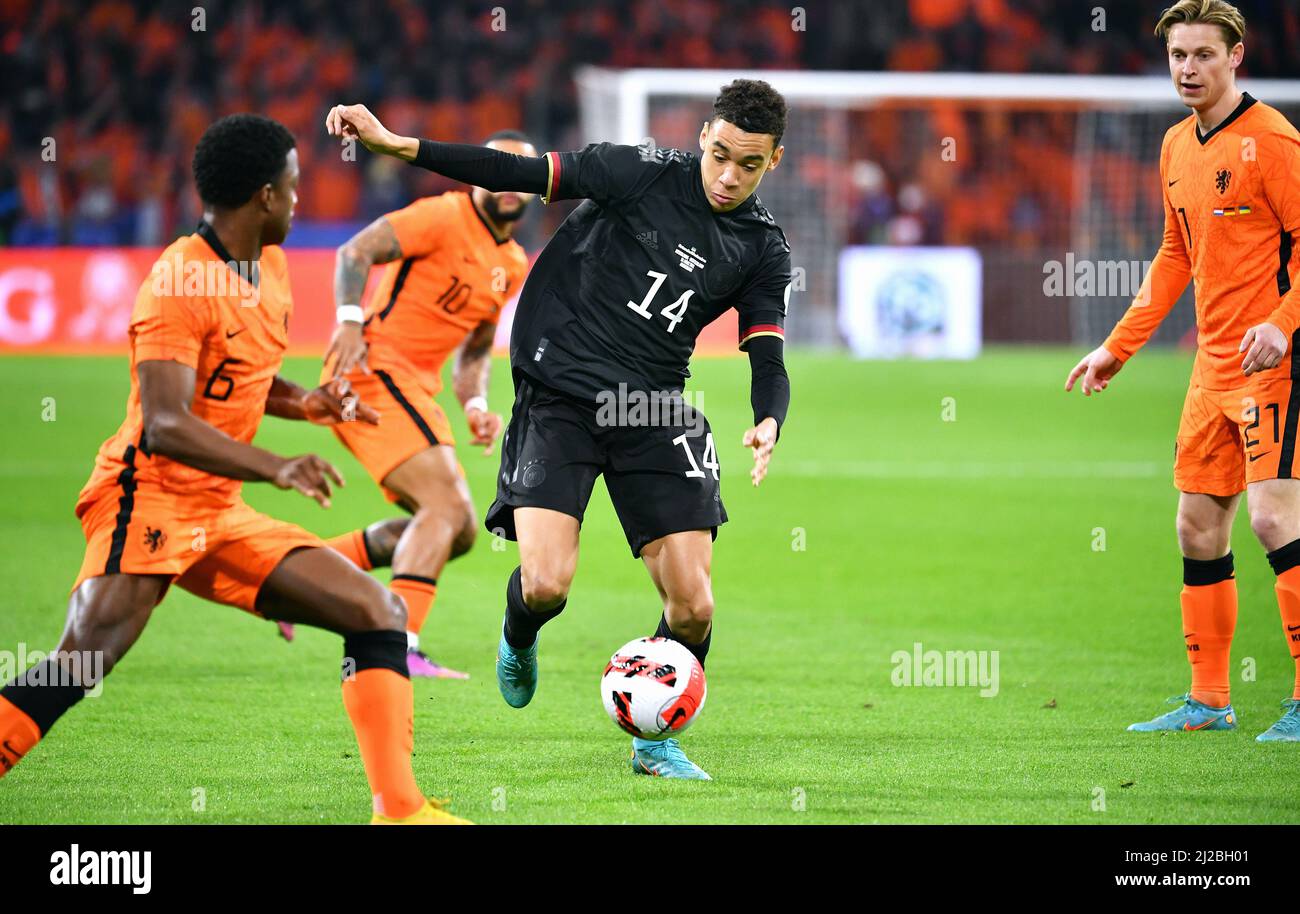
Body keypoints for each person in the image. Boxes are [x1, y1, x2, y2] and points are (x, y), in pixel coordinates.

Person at [0, 114, 470, 822]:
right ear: (265, 198)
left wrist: (309, 403)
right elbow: (164, 423)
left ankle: (400, 811)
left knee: (378, 613)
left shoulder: (269, 267)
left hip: (218, 510)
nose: (300, 197)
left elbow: (242, 380)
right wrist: (276, 466)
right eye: (294, 185)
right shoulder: (177, 283)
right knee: (79, 666)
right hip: (148, 499)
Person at [326, 78, 793, 778]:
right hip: (561, 396)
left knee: (693, 606)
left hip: (652, 408)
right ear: (703, 136)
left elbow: (768, 352)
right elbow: (515, 170)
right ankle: (519, 634)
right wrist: (399, 144)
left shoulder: (761, 248)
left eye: (748, 164)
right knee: (546, 584)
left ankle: (655, 740)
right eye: (720, 154)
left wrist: (768, 419)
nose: (729, 176)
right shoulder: (635, 173)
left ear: (773, 163)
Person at [1065, 0, 1300, 741]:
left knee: (1272, 517)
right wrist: (1117, 347)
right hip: (1211, 370)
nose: (1188, 69)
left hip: (1274, 366)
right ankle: (1209, 703)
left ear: (1237, 55)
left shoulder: (1274, 141)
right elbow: (1175, 255)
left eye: (1203, 54)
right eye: (1177, 56)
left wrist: (1283, 325)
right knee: (1198, 528)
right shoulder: (1174, 145)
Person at [276, 131, 535, 679]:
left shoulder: (511, 262)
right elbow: (356, 251)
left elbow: (472, 351)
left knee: (458, 529)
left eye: (523, 172)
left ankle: (294, 575)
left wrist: (477, 403)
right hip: (371, 373)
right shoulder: (441, 216)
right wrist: (348, 320)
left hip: (416, 387)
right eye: (501, 168)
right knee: (446, 510)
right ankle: (397, 644)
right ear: (477, 174)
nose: (512, 182)